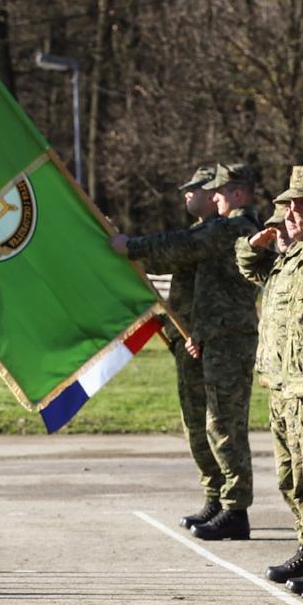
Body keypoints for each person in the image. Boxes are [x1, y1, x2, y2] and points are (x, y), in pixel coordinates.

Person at [116, 165, 263, 540]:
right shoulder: (215, 230)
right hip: (208, 337)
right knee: (203, 423)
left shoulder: (237, 228)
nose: (214, 197)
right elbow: (178, 256)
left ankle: (235, 509)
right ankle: (218, 498)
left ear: (240, 195)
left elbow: (181, 247)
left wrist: (129, 246)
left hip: (229, 340)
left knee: (224, 424)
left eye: (222, 191)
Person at [244, 165, 303, 585]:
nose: (292, 211)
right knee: (292, 477)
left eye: (302, 202)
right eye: (289, 203)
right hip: (282, 383)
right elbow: (250, 267)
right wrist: (258, 244)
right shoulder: (296, 252)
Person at [141, 164, 225, 529]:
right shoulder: (197, 233)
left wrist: (127, 246)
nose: (186, 194)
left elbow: (165, 253)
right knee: (194, 424)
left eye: (194, 189)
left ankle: (229, 503)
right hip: (185, 339)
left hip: (209, 343)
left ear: (212, 194)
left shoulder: (214, 235)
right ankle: (214, 495)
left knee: (216, 424)